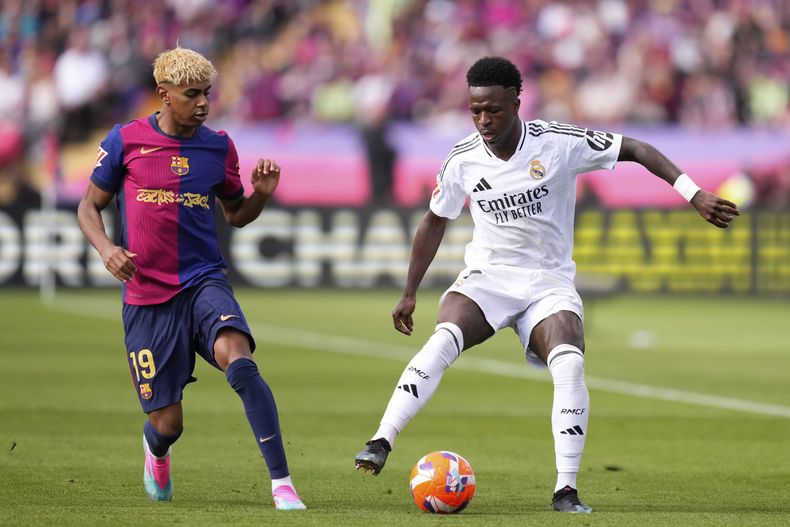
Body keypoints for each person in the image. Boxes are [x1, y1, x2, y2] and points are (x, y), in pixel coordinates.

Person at [354, 56, 740, 513]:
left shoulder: (559, 142)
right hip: (488, 278)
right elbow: (434, 222)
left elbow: (635, 148)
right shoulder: (461, 159)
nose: (483, 121)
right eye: (475, 110)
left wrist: (693, 193)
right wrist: (409, 291)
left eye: (493, 110)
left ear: (516, 103)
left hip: (549, 282)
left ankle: (565, 490)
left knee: (570, 363)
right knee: (445, 336)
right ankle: (381, 440)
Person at [77, 47, 306, 510]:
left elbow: (237, 215)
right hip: (147, 297)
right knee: (168, 425)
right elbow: (88, 206)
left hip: (204, 280)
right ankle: (156, 452)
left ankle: (282, 484)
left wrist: (260, 196)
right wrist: (106, 249)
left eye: (207, 94)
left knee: (238, 359)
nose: (203, 103)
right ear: (163, 94)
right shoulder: (126, 140)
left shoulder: (218, 146)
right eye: (192, 94)